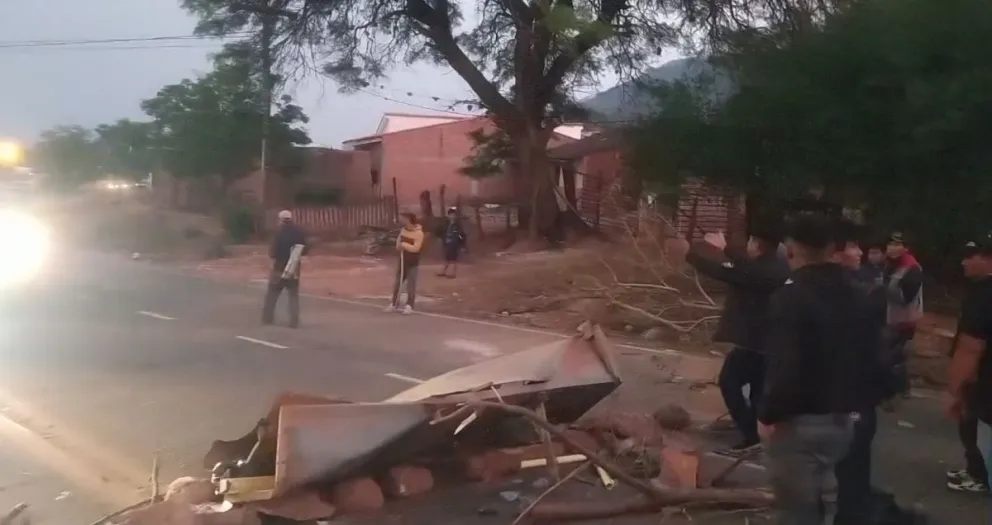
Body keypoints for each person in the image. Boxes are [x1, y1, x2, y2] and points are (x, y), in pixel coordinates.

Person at [760, 213, 879, 525]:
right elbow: (872, 356)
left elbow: (786, 364)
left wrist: (769, 413)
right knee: (828, 498)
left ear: (791, 249)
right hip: (844, 419)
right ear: (832, 248)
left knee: (795, 509)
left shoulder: (790, 296)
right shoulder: (858, 293)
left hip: (800, 421)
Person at [685, 226, 790, 456]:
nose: (748, 245)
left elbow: (728, 272)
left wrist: (693, 254)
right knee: (756, 393)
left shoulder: (769, 270)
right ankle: (758, 434)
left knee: (729, 383)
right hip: (763, 343)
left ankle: (752, 436)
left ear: (760, 246)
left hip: (754, 343)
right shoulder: (765, 268)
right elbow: (737, 269)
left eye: (752, 241)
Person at [829, 220, 891, 524]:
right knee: (846, 466)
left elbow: (872, 346)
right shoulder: (840, 288)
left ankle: (852, 513)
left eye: (858, 247)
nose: (858, 252)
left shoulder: (864, 287)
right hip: (849, 391)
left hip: (855, 392)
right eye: (851, 247)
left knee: (852, 463)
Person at [946, 233, 992, 492]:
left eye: (971, 256)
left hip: (983, 377)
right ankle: (976, 468)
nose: (964, 262)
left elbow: (971, 347)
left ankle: (980, 474)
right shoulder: (980, 290)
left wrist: (956, 390)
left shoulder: (984, 294)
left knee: (974, 423)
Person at [882, 232, 924, 400]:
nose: (892, 248)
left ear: (905, 248)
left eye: (897, 244)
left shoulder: (912, 268)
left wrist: (883, 289)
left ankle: (890, 395)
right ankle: (902, 389)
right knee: (895, 357)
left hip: (904, 322)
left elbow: (905, 298)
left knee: (892, 358)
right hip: (891, 319)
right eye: (890, 244)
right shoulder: (892, 264)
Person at [262, 210, 308, 328]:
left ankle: (267, 318)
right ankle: (294, 321)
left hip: (279, 268)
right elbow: (305, 249)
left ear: (281, 220)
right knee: (293, 295)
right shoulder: (299, 233)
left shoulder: (279, 234)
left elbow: (273, 253)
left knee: (272, 294)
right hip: (294, 269)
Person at [385, 212, 424, 314]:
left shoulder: (419, 233)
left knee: (411, 285)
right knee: (398, 283)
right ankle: (394, 303)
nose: (402, 220)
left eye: (404, 218)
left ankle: (409, 305)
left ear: (409, 219)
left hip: (413, 262)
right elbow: (398, 243)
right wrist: (399, 245)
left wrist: (404, 245)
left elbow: (416, 248)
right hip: (402, 261)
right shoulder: (403, 231)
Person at [436, 207, 466, 278]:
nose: (452, 216)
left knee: (454, 259)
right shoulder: (445, 223)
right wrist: (441, 238)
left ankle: (453, 273)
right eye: (451, 215)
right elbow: (440, 231)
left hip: (454, 243)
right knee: (447, 258)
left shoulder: (457, 225)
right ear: (448, 215)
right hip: (447, 242)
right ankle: (443, 272)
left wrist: (462, 244)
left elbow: (461, 235)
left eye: (453, 215)